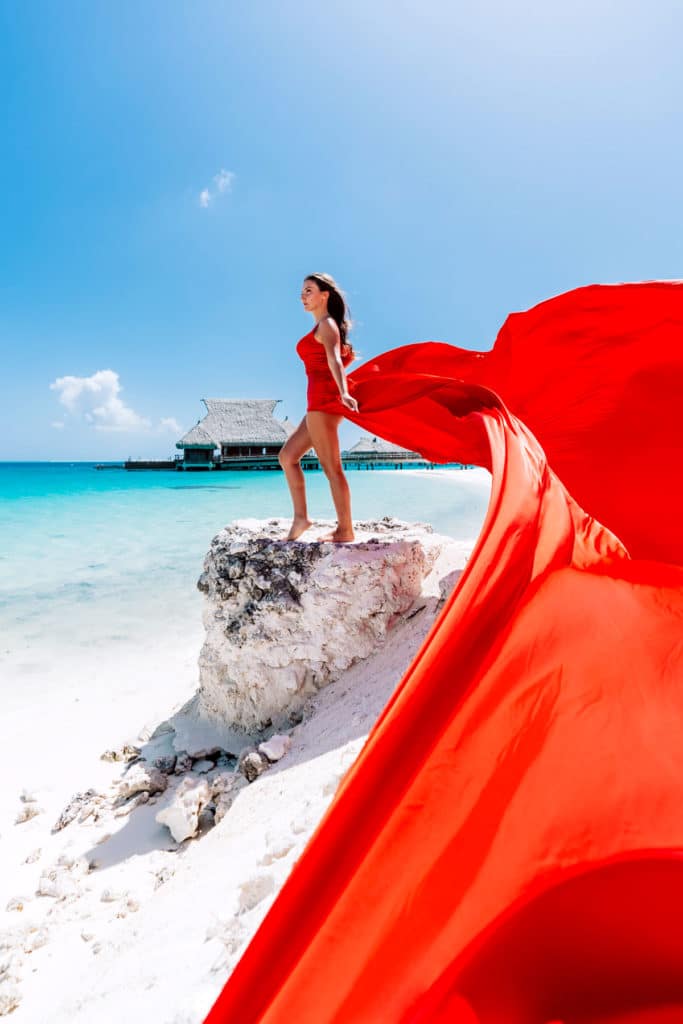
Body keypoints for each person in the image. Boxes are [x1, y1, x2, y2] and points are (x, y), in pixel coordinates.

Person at [279, 272, 360, 543]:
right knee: (287, 456)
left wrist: (344, 392)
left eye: (309, 291)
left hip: (324, 403)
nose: (303, 296)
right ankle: (301, 518)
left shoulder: (327, 325)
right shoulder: (322, 326)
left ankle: (345, 530)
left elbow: (335, 361)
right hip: (316, 404)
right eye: (302, 292)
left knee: (331, 468)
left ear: (324, 295)